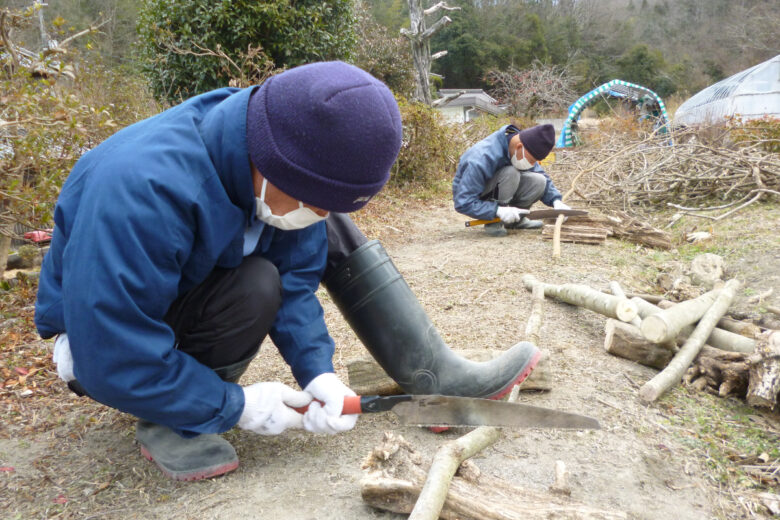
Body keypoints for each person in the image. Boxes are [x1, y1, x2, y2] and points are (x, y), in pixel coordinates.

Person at [35, 61, 540, 483]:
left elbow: (295, 280)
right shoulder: (141, 191)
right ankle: (175, 413)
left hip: (180, 296)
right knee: (255, 282)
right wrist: (236, 406)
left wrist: (316, 371)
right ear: (273, 164)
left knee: (268, 277)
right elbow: (111, 348)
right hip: (97, 344)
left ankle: (433, 372)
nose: (321, 217)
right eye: (315, 203)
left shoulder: (275, 151)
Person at [452, 123, 570, 237]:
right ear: (519, 147)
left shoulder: (523, 146)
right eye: (532, 160)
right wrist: (497, 211)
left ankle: (516, 220)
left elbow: (539, 172)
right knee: (511, 172)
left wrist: (556, 201)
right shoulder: (480, 158)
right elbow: (463, 202)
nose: (532, 164)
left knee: (539, 180)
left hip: (499, 185)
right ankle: (494, 222)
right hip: (476, 195)